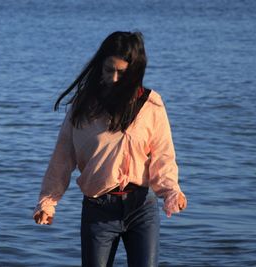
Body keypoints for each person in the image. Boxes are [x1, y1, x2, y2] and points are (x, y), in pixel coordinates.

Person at [33, 31, 187, 267]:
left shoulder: (151, 104)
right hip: (98, 210)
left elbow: (163, 155)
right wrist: (48, 203)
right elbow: (62, 159)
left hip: (141, 208)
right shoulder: (82, 107)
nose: (114, 78)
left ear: (134, 72)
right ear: (100, 67)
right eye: (108, 70)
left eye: (122, 73)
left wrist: (171, 191)